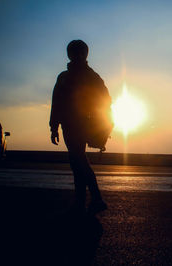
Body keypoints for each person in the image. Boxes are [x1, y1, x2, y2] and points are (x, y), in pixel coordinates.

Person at [50, 40, 110, 215]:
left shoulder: (85, 77)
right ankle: (82, 202)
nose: (77, 56)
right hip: (72, 125)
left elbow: (106, 102)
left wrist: (101, 125)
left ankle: (95, 198)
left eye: (79, 52)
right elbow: (57, 104)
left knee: (78, 161)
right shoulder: (83, 77)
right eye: (75, 52)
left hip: (80, 125)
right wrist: (54, 126)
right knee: (77, 162)